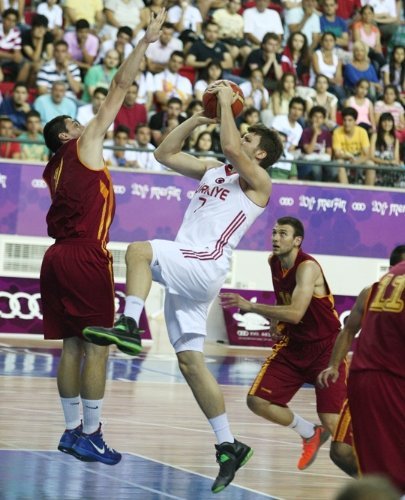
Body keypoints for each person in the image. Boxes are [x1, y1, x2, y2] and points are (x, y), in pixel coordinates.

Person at [82, 80, 284, 493]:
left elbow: (232, 147)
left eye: (249, 137)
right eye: (241, 132)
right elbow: (164, 154)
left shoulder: (258, 181)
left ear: (260, 153)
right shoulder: (215, 171)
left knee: (140, 250)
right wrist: (199, 116)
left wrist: (227, 103)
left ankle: (129, 324)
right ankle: (229, 444)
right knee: (191, 362)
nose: (240, 137)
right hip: (194, 272)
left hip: (205, 261)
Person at [39, 10, 166, 466]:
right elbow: (118, 88)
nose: (86, 123)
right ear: (67, 134)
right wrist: (145, 42)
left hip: (55, 258)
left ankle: (72, 429)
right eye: (75, 122)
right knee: (98, 345)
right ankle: (92, 432)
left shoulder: (52, 166)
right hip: (84, 256)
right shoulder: (82, 145)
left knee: (73, 345)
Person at [220, 217, 347, 471]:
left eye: (283, 234)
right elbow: (284, 300)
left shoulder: (307, 267)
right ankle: (310, 433)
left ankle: (378, 469)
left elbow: (297, 312)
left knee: (332, 421)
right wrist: (273, 322)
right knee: (257, 401)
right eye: (274, 233)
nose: (276, 238)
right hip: (294, 346)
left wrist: (252, 306)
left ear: (297, 241)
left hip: (325, 348)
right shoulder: (274, 261)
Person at [317, 245, 405, 491]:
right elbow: (348, 329)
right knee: (343, 451)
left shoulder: (385, 286)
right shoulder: (369, 293)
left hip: (372, 378)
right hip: (380, 378)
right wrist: (334, 364)